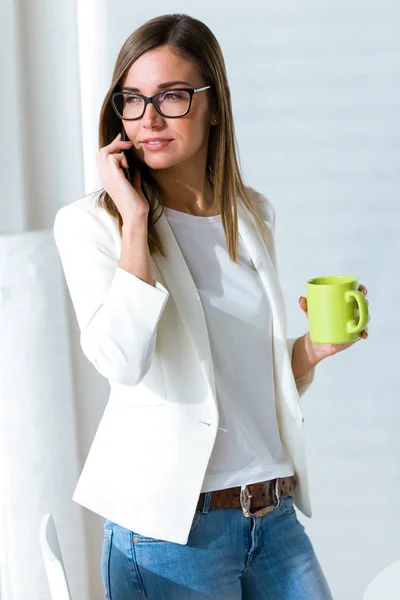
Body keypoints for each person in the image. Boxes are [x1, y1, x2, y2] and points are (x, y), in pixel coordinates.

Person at [53, 12, 369, 600]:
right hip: (171, 533)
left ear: (214, 104)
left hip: (271, 516)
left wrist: (312, 350)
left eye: (171, 96)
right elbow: (122, 362)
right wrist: (136, 221)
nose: (149, 119)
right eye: (132, 99)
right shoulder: (91, 225)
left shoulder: (251, 213)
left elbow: (243, 382)